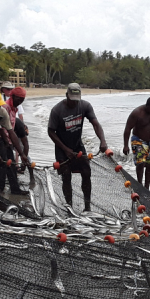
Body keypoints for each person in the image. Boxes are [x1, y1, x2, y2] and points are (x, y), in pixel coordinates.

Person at [47, 83, 108, 211]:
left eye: (76, 100)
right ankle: (70, 207)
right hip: (62, 147)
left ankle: (87, 207)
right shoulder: (57, 110)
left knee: (86, 173)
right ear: (66, 96)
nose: (74, 103)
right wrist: (65, 150)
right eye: (71, 100)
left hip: (77, 145)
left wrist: (102, 141)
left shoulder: (85, 106)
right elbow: (51, 132)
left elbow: (96, 124)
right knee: (66, 176)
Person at [0, 86, 29, 194]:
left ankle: (15, 189)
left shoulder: (14, 109)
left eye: (22, 100)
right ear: (12, 96)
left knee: (11, 162)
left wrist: (20, 152)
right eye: (18, 99)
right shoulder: (5, 107)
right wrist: (7, 142)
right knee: (2, 161)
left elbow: (10, 130)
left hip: (6, 137)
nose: (20, 102)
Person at [122, 96, 150, 188]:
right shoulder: (137, 113)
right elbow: (127, 129)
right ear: (146, 106)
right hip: (137, 139)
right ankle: (139, 185)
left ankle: (147, 188)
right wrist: (125, 145)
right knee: (140, 163)